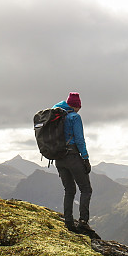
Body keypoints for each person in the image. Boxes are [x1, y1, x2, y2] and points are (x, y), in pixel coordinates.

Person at [54, 92, 94, 234]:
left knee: (69, 190)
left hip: (58, 158)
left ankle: (69, 222)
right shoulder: (74, 117)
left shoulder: (57, 116)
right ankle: (83, 222)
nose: (79, 110)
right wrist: (85, 158)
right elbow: (79, 139)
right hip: (72, 156)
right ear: (75, 105)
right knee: (86, 189)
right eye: (78, 107)